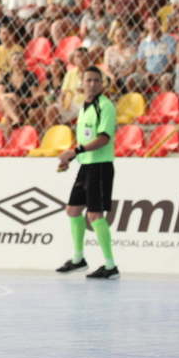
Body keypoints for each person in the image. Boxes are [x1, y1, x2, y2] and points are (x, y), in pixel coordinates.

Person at [55, 66, 120, 280]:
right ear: (81, 84)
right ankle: (78, 259)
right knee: (73, 210)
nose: (92, 84)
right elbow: (85, 141)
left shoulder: (105, 106)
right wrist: (71, 158)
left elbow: (103, 138)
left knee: (94, 215)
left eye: (96, 80)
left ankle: (110, 266)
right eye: (88, 80)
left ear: (101, 84)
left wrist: (75, 151)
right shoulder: (84, 110)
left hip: (100, 166)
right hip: (86, 165)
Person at [0, 51, 43, 132]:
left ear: (24, 62)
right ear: (11, 62)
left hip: (27, 107)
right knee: (4, 100)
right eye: (15, 59)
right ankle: (17, 121)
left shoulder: (30, 76)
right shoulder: (6, 76)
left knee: (7, 114)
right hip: (12, 107)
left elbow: (35, 98)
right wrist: (11, 95)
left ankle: (16, 123)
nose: (17, 62)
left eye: (20, 59)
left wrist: (19, 100)